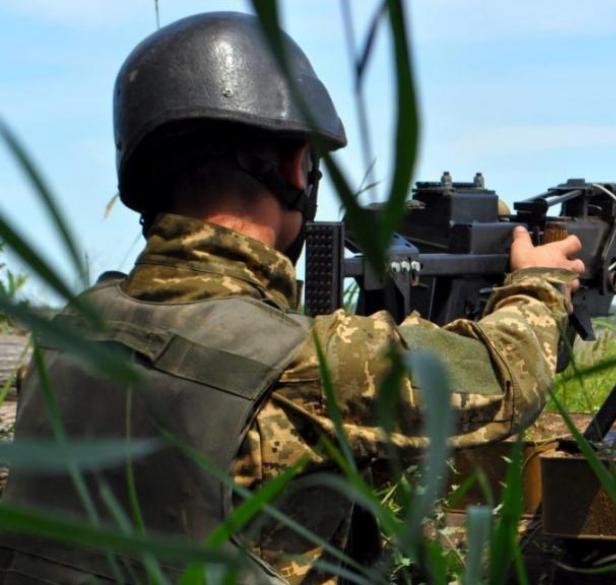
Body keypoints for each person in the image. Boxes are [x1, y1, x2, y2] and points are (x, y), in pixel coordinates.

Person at [0, 12, 583, 585]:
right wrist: (539, 283)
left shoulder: (65, 337)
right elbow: (506, 376)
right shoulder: (309, 364)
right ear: (296, 167)